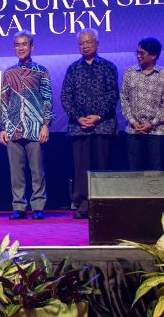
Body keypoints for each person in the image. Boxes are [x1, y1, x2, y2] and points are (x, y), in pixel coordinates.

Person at [60, 28, 119, 219]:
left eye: (89, 42)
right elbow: (65, 96)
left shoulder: (108, 67)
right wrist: (78, 118)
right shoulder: (72, 68)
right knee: (81, 168)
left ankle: (103, 204)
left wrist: (98, 116)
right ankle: (83, 204)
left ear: (97, 44)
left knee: (102, 166)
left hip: (103, 125)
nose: (85, 46)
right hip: (79, 127)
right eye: (81, 43)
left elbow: (113, 94)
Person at [0, 30, 54, 220]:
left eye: (24, 44)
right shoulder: (9, 73)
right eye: (17, 45)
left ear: (32, 47)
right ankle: (19, 207)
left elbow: (47, 99)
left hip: (35, 127)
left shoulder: (41, 71)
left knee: (37, 170)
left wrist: (46, 124)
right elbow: (4, 101)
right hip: (13, 127)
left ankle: (38, 206)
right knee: (16, 172)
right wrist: (3, 128)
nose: (21, 48)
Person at [120, 38, 164, 170]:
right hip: (134, 130)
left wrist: (151, 124)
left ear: (153, 55)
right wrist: (132, 121)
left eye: (142, 53)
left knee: (156, 172)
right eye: (137, 52)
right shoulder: (129, 73)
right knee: (135, 171)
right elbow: (124, 99)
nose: (138, 56)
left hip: (157, 131)